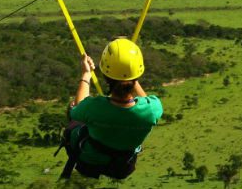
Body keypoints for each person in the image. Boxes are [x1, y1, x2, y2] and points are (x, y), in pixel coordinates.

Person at [58, 38, 164, 179]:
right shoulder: (153, 109)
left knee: (73, 111)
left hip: (90, 162)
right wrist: (130, 74)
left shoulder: (94, 107)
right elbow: (145, 100)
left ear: (106, 77)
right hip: (123, 167)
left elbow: (77, 108)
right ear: (137, 75)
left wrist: (86, 74)